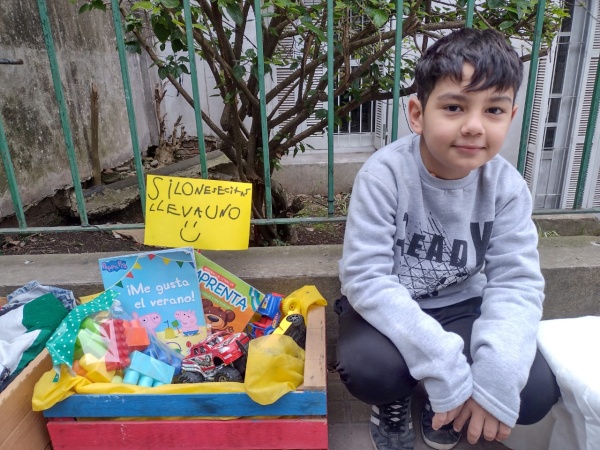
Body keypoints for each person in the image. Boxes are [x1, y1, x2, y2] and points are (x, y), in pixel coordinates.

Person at [335, 28, 561, 450]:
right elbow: (366, 278)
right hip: (388, 307)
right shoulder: (384, 175)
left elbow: (517, 282)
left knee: (532, 393)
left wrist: (494, 380)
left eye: (493, 110)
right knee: (370, 369)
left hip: (462, 305)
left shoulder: (507, 188)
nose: (474, 127)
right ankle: (403, 399)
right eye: (455, 107)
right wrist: (447, 368)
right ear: (418, 114)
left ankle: (445, 404)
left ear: (510, 118)